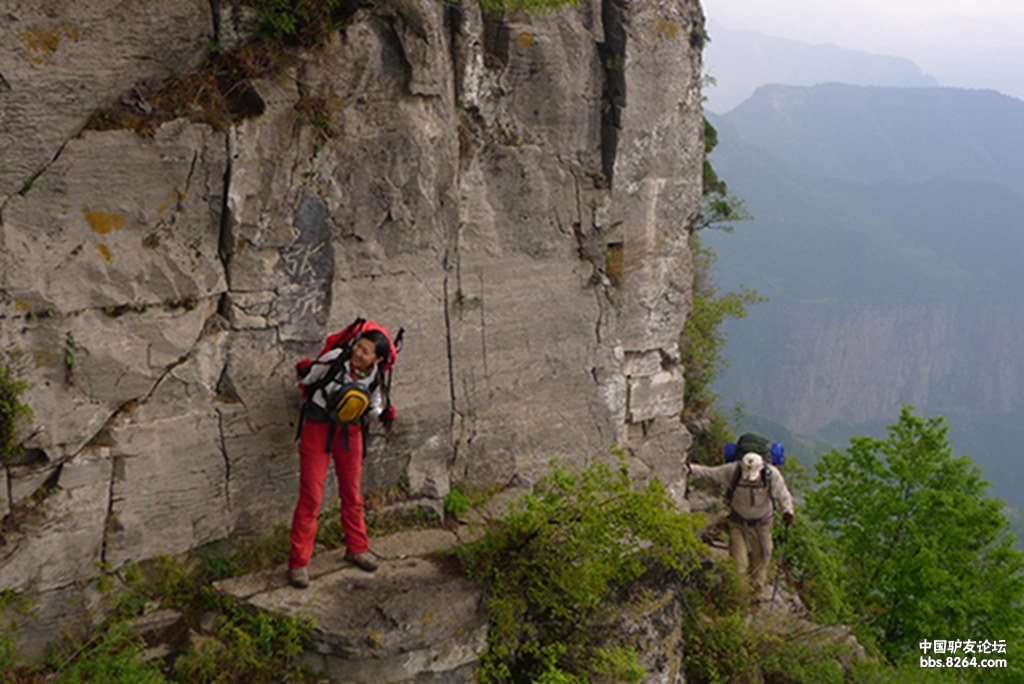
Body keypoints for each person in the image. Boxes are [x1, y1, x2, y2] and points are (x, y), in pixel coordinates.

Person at [288, 329, 393, 588]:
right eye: (358, 346)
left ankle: (357, 548)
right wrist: (308, 372)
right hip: (318, 427)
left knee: (352, 493)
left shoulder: (376, 377)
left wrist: (382, 416)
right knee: (311, 496)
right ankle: (298, 564)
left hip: (350, 431)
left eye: (365, 351)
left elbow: (373, 409)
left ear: (377, 359)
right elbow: (308, 381)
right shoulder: (335, 359)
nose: (358, 353)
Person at [687, 445, 795, 594]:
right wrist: (690, 469)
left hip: (762, 525)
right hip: (738, 524)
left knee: (763, 558)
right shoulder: (733, 471)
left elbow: (784, 496)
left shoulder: (771, 476)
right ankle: (739, 595)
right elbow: (710, 473)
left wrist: (788, 512)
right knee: (739, 565)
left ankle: (757, 592)